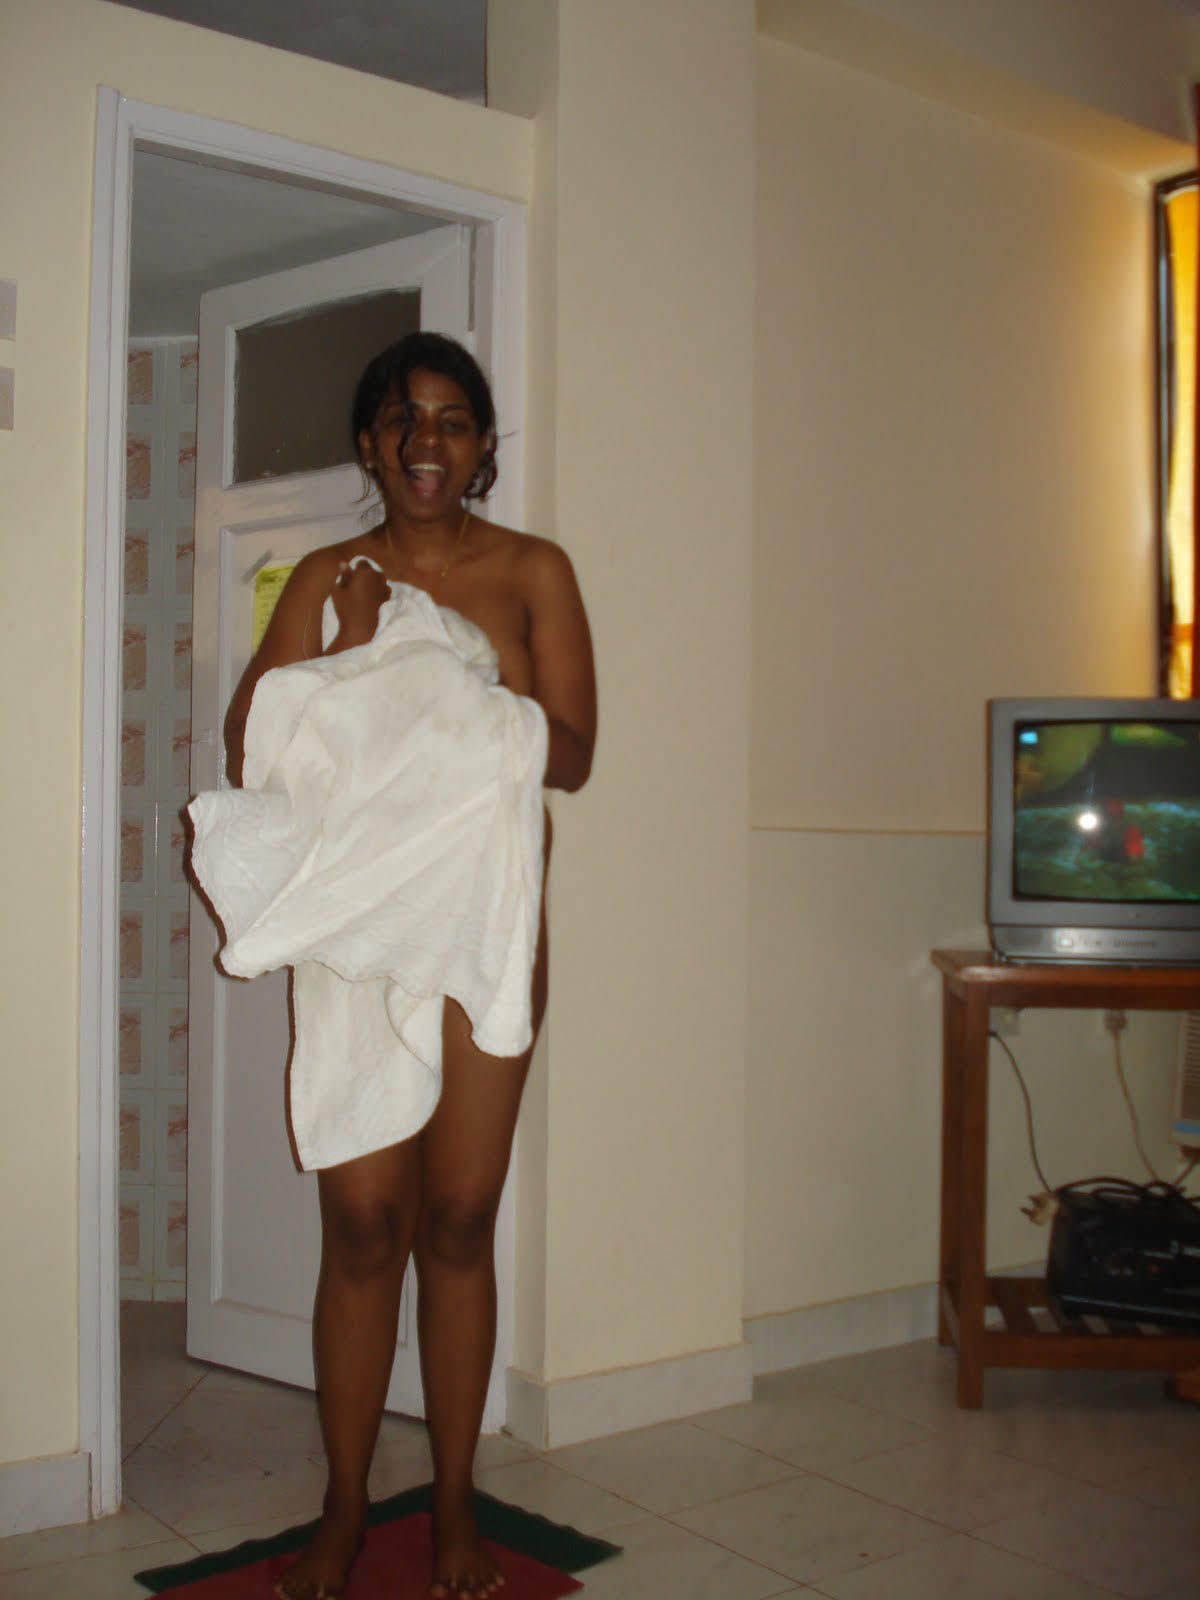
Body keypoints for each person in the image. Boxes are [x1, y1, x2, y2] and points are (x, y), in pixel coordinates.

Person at [222, 332, 597, 1600]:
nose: (425, 441)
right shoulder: (326, 576)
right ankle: (342, 1505)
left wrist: (432, 669)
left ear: (482, 446)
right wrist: (348, 647)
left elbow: (572, 752)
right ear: (370, 444)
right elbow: (253, 740)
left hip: (485, 930)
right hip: (361, 936)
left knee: (459, 1221)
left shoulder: (533, 571)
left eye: (451, 419)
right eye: (402, 418)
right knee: (363, 1224)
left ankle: (451, 1501)